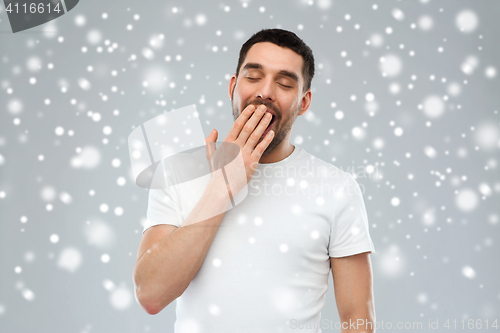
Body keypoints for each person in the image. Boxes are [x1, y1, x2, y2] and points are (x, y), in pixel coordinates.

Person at [133, 28, 376, 333]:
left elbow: (358, 319)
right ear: (233, 86)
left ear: (303, 102)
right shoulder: (177, 173)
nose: (266, 92)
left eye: (285, 83)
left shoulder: (337, 188)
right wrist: (222, 189)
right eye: (253, 76)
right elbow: (151, 295)